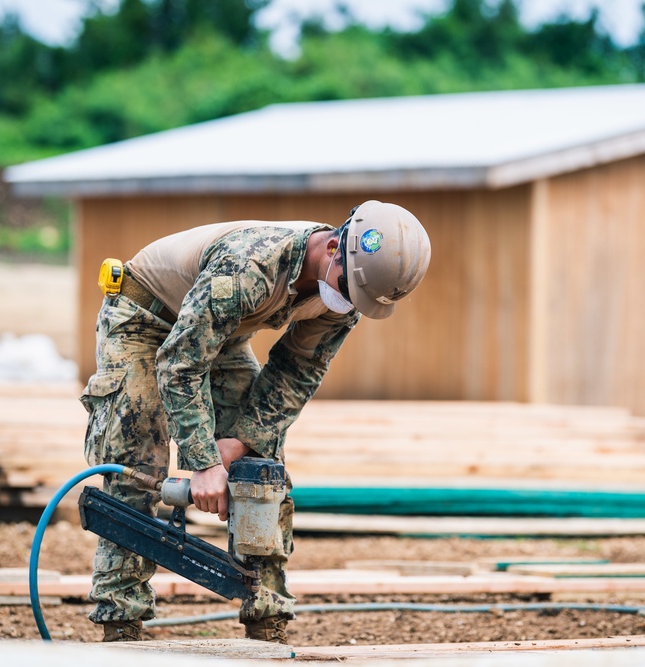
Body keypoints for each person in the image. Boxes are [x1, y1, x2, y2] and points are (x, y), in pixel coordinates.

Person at [80, 200, 431, 643]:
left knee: (263, 471)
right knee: (139, 456)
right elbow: (179, 364)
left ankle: (267, 616)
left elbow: (296, 373)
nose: (348, 304)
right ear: (335, 247)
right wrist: (204, 461)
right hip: (145, 319)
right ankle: (121, 621)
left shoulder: (346, 293)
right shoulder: (249, 268)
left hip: (221, 333)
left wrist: (242, 443)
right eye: (349, 289)